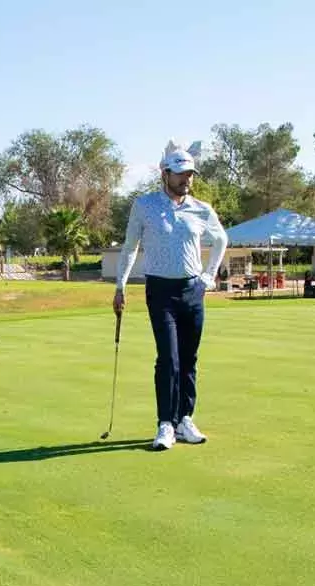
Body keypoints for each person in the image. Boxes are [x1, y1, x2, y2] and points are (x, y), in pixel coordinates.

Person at [113, 140, 229, 451]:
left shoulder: (201, 209)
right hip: (160, 290)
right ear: (165, 173)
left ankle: (184, 419)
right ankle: (165, 423)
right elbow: (130, 247)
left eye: (190, 175)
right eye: (180, 175)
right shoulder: (145, 206)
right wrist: (120, 285)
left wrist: (208, 277)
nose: (186, 180)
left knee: (189, 359)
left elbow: (221, 240)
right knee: (169, 358)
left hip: (193, 290)